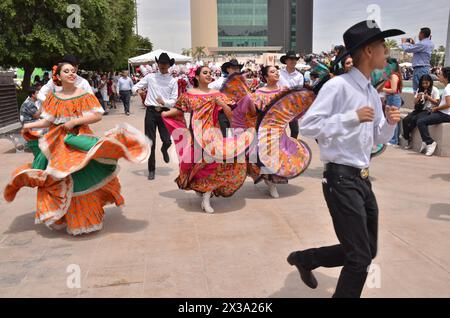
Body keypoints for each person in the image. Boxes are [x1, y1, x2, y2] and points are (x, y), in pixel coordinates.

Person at [288, 20, 403, 298]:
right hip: (340, 178)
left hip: (362, 178)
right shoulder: (337, 86)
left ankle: (307, 259)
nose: (386, 52)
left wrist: (387, 123)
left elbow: (376, 139)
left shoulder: (370, 92)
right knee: (359, 259)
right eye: (382, 47)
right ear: (367, 51)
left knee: (367, 250)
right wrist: (350, 118)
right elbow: (307, 126)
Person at [4, 61, 150, 236]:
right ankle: (67, 215)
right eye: (67, 71)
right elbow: (48, 121)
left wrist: (75, 121)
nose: (72, 74)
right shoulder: (53, 97)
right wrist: (30, 125)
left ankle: (85, 217)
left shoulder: (83, 94)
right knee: (59, 178)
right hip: (57, 143)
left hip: (78, 139)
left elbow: (97, 115)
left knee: (81, 177)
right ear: (58, 76)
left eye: (73, 71)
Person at [161, 66, 247, 213]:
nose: (209, 75)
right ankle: (201, 188)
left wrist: (223, 105)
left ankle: (206, 196)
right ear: (196, 77)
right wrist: (166, 114)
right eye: (205, 73)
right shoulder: (189, 95)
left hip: (213, 134)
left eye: (210, 73)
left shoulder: (217, 94)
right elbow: (179, 109)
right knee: (199, 165)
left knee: (214, 164)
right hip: (196, 134)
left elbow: (231, 114)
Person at [133, 53, 178, 181]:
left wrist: (165, 103)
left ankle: (165, 149)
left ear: (169, 65)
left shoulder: (173, 81)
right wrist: (138, 91)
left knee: (167, 140)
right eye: (161, 63)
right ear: (158, 64)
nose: (163, 66)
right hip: (151, 112)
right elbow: (135, 86)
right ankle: (151, 170)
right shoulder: (150, 77)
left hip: (164, 112)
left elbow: (174, 100)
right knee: (150, 142)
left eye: (166, 64)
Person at [416, 67, 450, 156]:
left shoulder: (447, 89)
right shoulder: (448, 87)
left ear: (446, 77)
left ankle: (430, 142)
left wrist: (436, 109)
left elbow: (448, 104)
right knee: (421, 117)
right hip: (444, 113)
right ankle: (424, 140)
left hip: (445, 114)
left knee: (421, 122)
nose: (438, 76)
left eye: (440, 74)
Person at [401, 74, 440, 149]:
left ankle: (406, 134)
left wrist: (428, 97)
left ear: (430, 82)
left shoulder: (434, 90)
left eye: (426, 83)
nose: (425, 85)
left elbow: (437, 103)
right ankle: (406, 136)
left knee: (415, 119)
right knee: (405, 120)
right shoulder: (419, 90)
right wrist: (418, 97)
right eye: (423, 83)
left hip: (428, 110)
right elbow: (415, 102)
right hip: (418, 109)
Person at [209, 59, 243, 137]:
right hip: (222, 112)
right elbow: (209, 92)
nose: (236, 70)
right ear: (228, 69)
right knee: (225, 136)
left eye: (237, 68)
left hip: (237, 112)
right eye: (233, 68)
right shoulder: (219, 82)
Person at [279, 51, 304, 139]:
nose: (293, 61)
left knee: (295, 130)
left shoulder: (299, 76)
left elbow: (299, 92)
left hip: (292, 106)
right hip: (280, 105)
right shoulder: (279, 73)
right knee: (280, 129)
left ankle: (292, 147)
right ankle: (281, 147)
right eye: (291, 59)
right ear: (286, 61)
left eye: (295, 59)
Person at [401, 27, 435, 92]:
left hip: (419, 69)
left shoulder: (422, 44)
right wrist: (414, 44)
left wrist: (403, 43)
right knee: (425, 89)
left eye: (419, 34)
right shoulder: (430, 43)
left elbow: (407, 49)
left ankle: (418, 102)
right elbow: (419, 49)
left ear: (422, 34)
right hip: (425, 68)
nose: (418, 35)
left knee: (417, 90)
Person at [383, 58, 403, 146]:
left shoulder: (394, 76)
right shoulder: (391, 75)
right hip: (391, 98)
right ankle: (392, 139)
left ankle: (394, 140)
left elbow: (393, 90)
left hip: (394, 98)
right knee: (391, 118)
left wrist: (381, 89)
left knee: (393, 119)